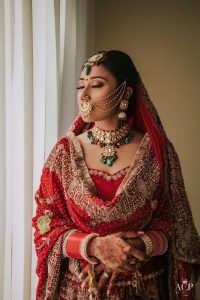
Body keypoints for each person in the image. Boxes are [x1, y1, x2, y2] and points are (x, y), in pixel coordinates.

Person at [32, 50, 200, 300]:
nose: (84, 95)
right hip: (79, 290)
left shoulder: (156, 152)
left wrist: (138, 246)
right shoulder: (64, 153)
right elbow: (45, 224)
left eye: (96, 85)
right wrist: (94, 246)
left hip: (142, 288)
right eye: (81, 86)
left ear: (126, 92)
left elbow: (175, 225)